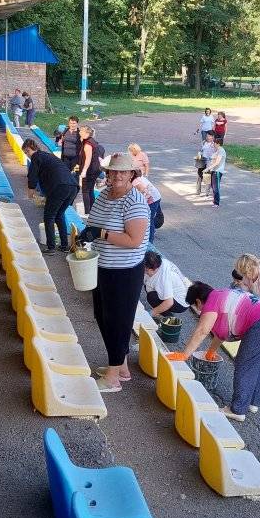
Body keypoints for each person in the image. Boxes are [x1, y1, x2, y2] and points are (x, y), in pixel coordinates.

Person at [75, 153, 149, 393]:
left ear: (131, 174)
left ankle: (113, 378)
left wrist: (101, 234)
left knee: (118, 321)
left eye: (123, 171)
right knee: (102, 316)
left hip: (124, 272)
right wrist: (86, 234)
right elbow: (94, 224)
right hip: (102, 266)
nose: (117, 175)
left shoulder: (135, 202)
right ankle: (122, 367)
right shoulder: (105, 194)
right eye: (113, 170)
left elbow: (134, 240)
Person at [172, 282, 260, 421]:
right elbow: (222, 332)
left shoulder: (210, 303)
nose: (200, 311)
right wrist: (211, 351)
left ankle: (237, 410)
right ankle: (252, 403)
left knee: (245, 364)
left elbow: (202, 331)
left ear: (198, 301)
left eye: (196, 307)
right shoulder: (222, 295)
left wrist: (184, 355)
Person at [21, 139, 78, 254]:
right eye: (26, 153)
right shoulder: (48, 156)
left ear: (32, 149)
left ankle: (51, 247)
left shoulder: (36, 156)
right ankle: (64, 245)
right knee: (59, 215)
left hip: (60, 187)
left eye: (27, 152)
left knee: (49, 217)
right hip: (73, 187)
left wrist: (31, 191)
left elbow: (32, 174)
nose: (27, 155)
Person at [143, 250, 189, 317]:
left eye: (146, 270)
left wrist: (150, 314)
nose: (144, 272)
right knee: (147, 282)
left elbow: (169, 302)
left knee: (152, 296)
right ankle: (160, 310)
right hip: (180, 294)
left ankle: (169, 317)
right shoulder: (159, 263)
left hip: (180, 303)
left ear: (152, 270)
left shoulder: (163, 278)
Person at [78, 124, 103, 215]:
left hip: (90, 170)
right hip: (96, 169)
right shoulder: (92, 141)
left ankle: (87, 211)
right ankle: (92, 209)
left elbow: (88, 159)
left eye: (81, 131)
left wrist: (84, 171)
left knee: (85, 190)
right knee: (90, 189)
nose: (79, 132)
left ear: (86, 133)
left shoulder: (88, 144)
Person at [132, 170, 163, 242]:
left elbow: (142, 189)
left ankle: (150, 242)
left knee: (149, 220)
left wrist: (140, 201)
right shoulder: (134, 178)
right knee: (153, 217)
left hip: (152, 199)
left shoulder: (135, 181)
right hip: (155, 196)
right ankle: (157, 221)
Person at [205, 137, 226, 207]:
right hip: (214, 170)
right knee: (213, 186)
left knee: (216, 187)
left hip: (217, 171)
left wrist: (208, 168)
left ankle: (216, 202)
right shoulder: (217, 150)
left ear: (218, 144)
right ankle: (215, 200)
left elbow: (217, 162)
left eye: (214, 143)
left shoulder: (221, 151)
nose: (213, 144)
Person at [196, 131, 216, 196]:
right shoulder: (204, 142)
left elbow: (216, 154)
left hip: (209, 163)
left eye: (209, 136)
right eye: (207, 136)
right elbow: (200, 150)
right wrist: (199, 153)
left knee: (207, 177)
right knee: (199, 176)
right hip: (202, 161)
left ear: (212, 137)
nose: (207, 137)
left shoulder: (214, 145)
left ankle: (207, 192)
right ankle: (198, 191)